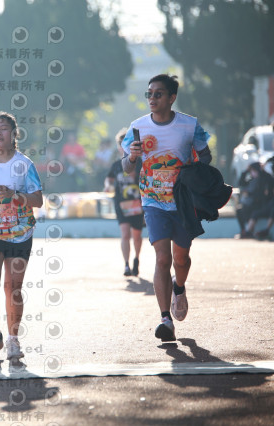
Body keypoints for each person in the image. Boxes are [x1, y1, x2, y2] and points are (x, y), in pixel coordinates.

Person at [122, 74, 212, 342]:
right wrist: (132, 157)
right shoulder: (137, 127)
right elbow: (126, 167)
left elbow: (205, 155)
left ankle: (179, 287)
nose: (152, 98)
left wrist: (193, 169)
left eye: (158, 94)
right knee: (163, 258)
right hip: (153, 201)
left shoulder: (189, 125)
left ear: (172, 97)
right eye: (149, 94)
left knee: (181, 259)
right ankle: (165, 320)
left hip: (183, 202)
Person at [0, 111, 43, 361]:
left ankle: (13, 340)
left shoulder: (24, 164)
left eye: (3, 128)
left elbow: (38, 199)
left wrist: (14, 195)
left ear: (14, 133)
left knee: (13, 287)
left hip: (19, 232)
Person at [104, 127, 144, 276]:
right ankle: (126, 265)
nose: (123, 147)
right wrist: (108, 186)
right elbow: (109, 179)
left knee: (137, 236)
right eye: (120, 144)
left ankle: (136, 258)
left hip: (137, 204)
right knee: (125, 234)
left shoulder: (140, 163)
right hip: (121, 203)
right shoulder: (116, 165)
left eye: (126, 143)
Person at [234, 162, 274, 239]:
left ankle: (248, 232)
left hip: (260, 204)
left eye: (253, 171)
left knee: (251, 211)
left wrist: (249, 193)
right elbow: (241, 183)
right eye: (251, 171)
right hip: (251, 204)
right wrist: (245, 171)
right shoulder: (251, 179)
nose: (252, 173)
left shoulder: (265, 178)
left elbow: (263, 192)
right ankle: (244, 231)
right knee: (239, 210)